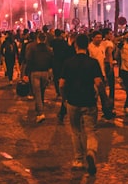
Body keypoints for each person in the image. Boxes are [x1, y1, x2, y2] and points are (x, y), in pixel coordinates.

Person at [59, 34, 103, 175]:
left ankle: (78, 160)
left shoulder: (68, 62)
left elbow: (61, 84)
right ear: (87, 45)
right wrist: (103, 97)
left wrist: (64, 98)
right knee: (91, 131)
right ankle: (90, 152)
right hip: (89, 100)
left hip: (73, 100)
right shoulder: (93, 63)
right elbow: (98, 82)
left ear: (76, 45)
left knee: (76, 131)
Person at [22, 30, 54, 123]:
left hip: (35, 73)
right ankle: (39, 108)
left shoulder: (32, 48)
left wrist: (26, 73)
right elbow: (52, 60)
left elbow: (28, 60)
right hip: (45, 72)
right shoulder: (48, 49)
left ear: (37, 39)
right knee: (42, 91)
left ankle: (40, 113)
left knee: (37, 93)